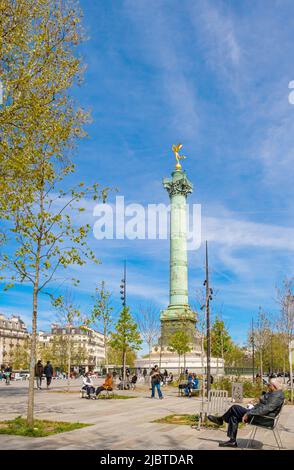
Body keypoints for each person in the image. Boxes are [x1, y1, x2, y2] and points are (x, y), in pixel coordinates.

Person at [208, 378, 285, 447]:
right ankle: (232, 442)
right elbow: (264, 401)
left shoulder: (277, 395)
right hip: (258, 414)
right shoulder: (274, 393)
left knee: (235, 408)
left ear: (274, 386)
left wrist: (249, 413)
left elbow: (266, 409)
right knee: (233, 416)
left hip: (262, 418)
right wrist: (254, 403)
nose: (267, 386)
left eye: (269, 385)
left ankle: (221, 420)